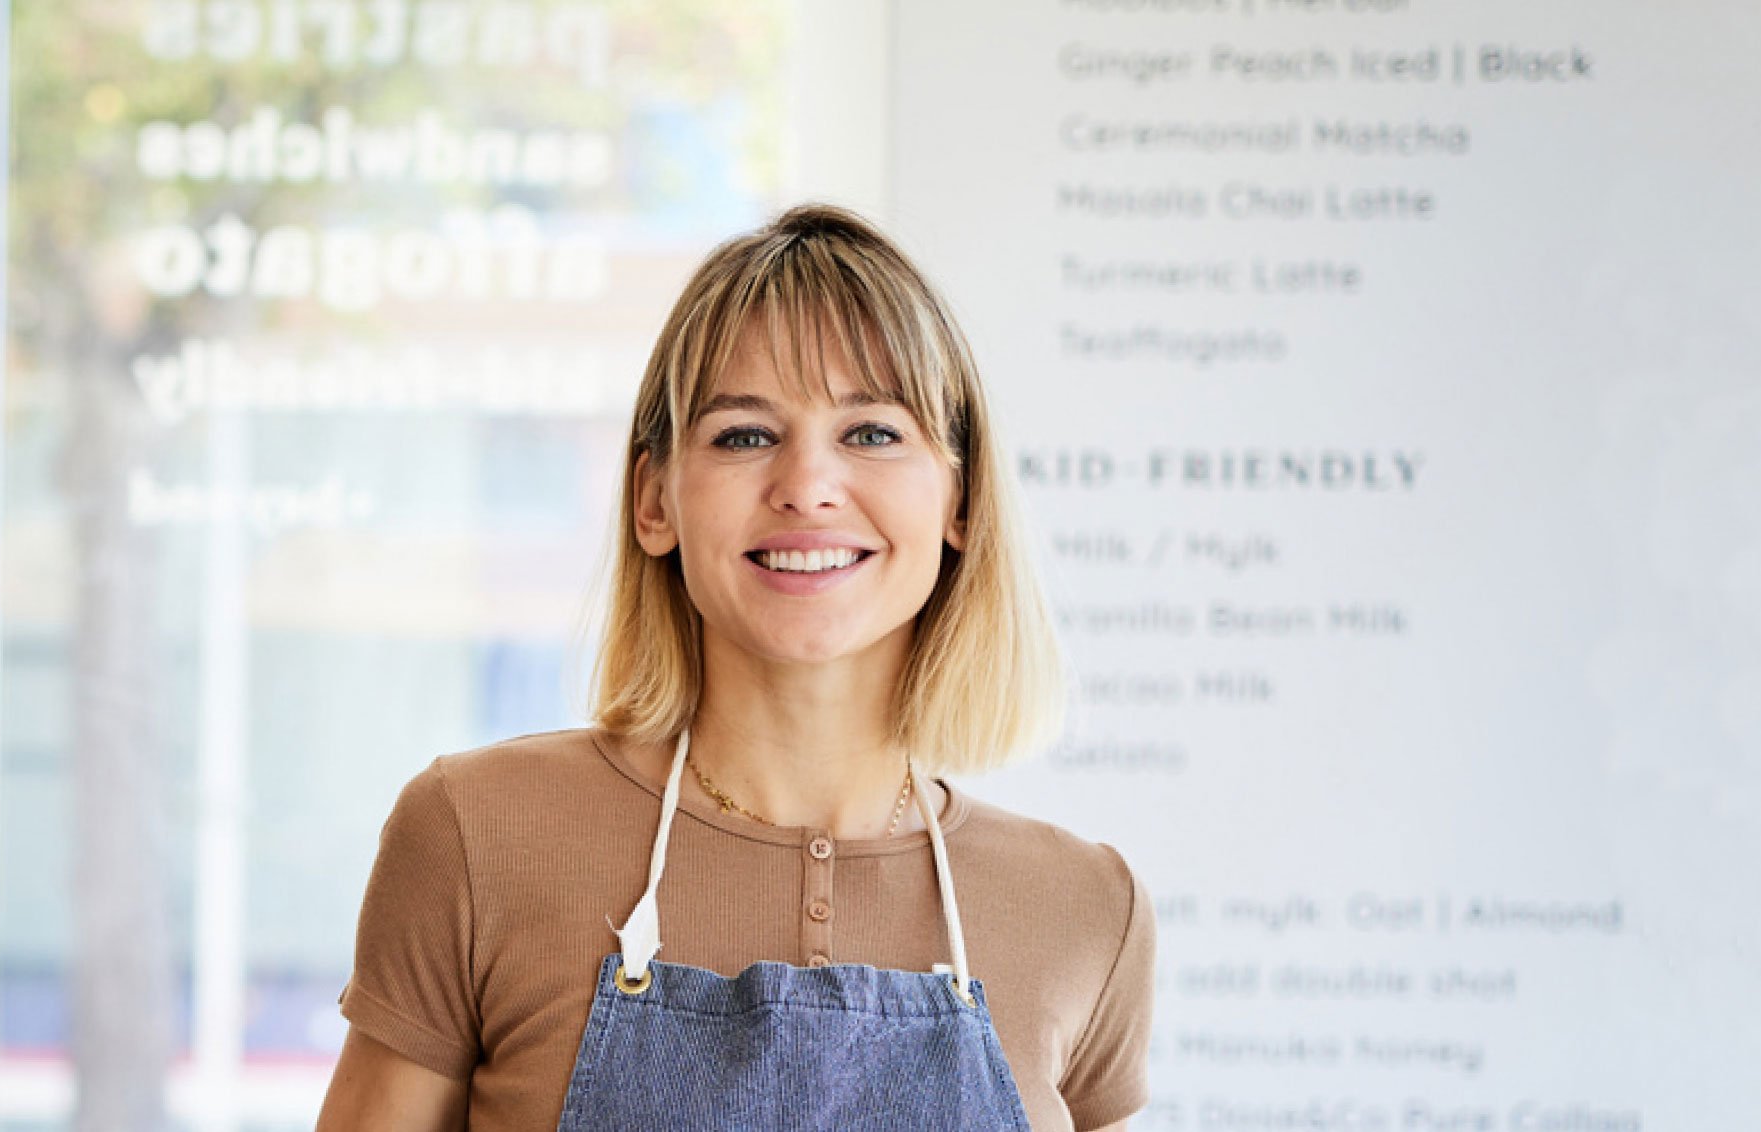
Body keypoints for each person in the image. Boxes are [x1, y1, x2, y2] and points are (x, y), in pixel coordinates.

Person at [315, 203, 1156, 1131]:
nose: (806, 487)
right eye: (744, 435)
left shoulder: (1085, 908)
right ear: (653, 501)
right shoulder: (476, 836)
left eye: (872, 432)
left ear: (960, 497)